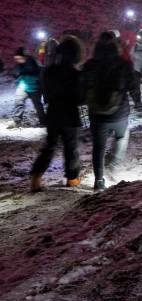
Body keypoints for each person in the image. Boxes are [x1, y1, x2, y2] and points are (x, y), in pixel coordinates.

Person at [82, 31, 137, 191]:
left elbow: (81, 95)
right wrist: (138, 103)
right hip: (119, 114)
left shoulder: (89, 65)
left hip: (96, 116)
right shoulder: (124, 64)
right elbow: (133, 86)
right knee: (122, 137)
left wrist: (85, 122)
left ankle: (99, 181)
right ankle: (113, 164)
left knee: (98, 147)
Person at [29, 36, 84, 191]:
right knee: (71, 148)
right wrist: (86, 123)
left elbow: (45, 94)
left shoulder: (49, 72)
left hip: (53, 113)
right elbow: (82, 99)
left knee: (49, 146)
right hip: (71, 116)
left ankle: (36, 177)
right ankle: (72, 178)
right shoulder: (77, 74)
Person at [12, 47, 46, 127]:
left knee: (38, 105)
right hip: (23, 87)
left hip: (35, 88)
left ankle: (43, 122)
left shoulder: (34, 63)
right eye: (16, 59)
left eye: (19, 58)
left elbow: (39, 73)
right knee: (18, 102)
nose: (17, 60)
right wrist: (16, 77)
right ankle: (17, 121)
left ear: (25, 57)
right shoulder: (20, 64)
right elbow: (16, 73)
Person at [130, 29, 142, 110]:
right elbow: (131, 56)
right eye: (138, 36)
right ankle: (138, 103)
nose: (139, 38)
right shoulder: (135, 46)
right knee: (136, 87)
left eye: (141, 36)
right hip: (136, 69)